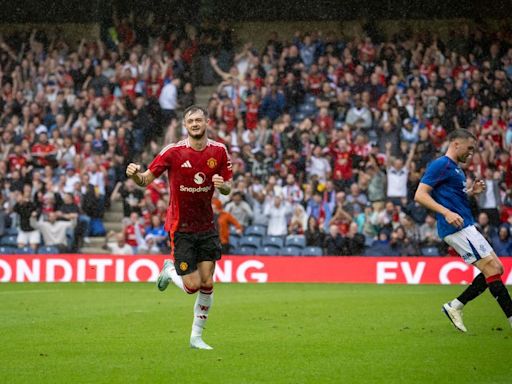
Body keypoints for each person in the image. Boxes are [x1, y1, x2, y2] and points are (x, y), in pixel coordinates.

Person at [125, 105, 232, 350]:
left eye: (198, 120)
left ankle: (196, 338)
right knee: (191, 286)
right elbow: (144, 180)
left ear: (206, 122)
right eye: (190, 121)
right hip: (181, 227)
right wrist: (134, 175)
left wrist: (222, 185)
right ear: (185, 126)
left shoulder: (219, 151)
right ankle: (169, 270)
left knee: (207, 284)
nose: (194, 124)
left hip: (206, 226)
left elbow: (227, 188)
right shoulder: (172, 152)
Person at [415, 129, 512, 332]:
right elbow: (420, 194)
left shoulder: (457, 170)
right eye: (469, 148)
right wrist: (446, 212)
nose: (471, 153)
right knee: (492, 269)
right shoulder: (441, 164)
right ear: (455, 144)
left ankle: (455, 306)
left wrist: (471, 192)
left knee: (498, 269)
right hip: (456, 227)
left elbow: (452, 197)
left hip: (466, 225)